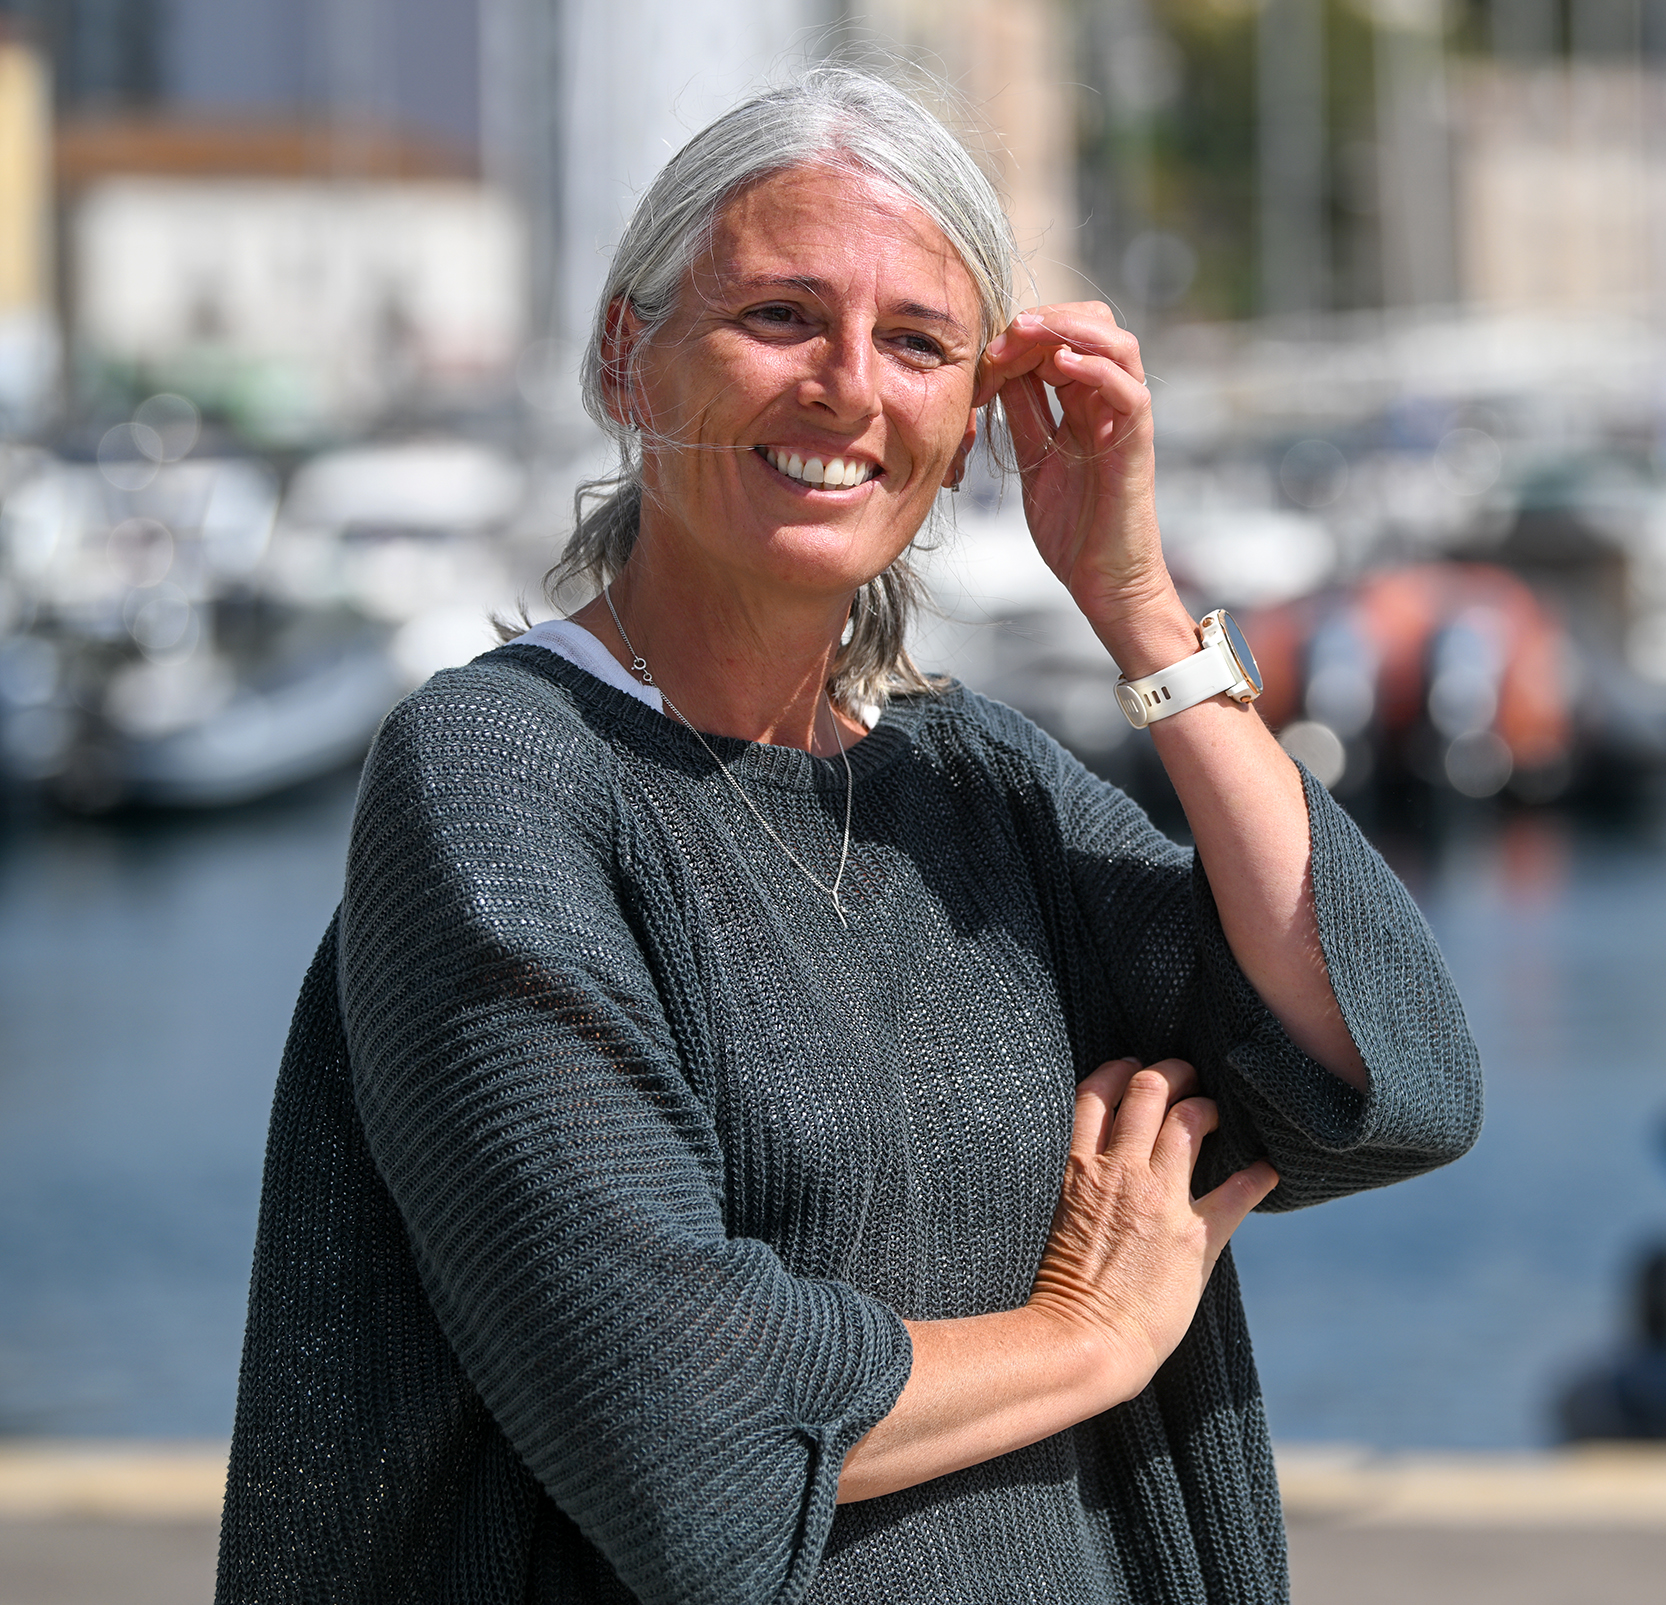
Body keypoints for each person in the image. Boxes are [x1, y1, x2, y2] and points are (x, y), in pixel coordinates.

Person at [217, 66, 1480, 1605]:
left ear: (967, 430)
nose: (848, 385)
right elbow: (682, 1428)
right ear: (630, 357)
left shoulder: (980, 787)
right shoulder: (501, 771)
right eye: (780, 318)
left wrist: (1140, 604)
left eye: (919, 343)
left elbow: (1384, 1064)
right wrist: (1086, 1333)